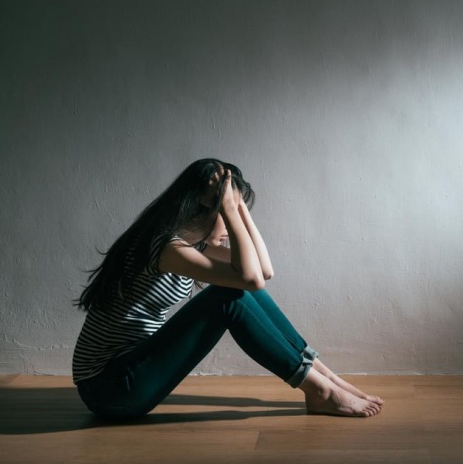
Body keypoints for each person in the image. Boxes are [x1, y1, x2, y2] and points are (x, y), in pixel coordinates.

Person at [72, 158, 383, 419]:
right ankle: (319, 389)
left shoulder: (190, 243)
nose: (232, 221)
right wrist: (231, 211)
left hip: (127, 376)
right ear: (209, 210)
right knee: (226, 296)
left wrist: (238, 209)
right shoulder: (166, 247)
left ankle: (326, 378)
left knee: (243, 290)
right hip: (110, 389)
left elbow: (263, 272)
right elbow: (250, 278)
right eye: (228, 209)